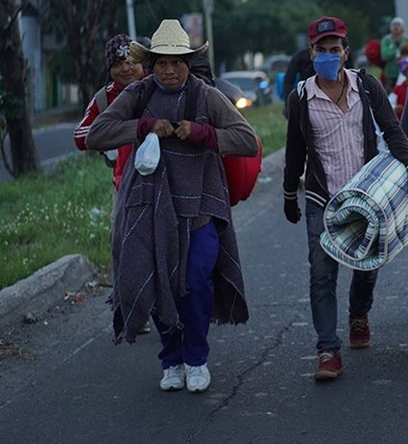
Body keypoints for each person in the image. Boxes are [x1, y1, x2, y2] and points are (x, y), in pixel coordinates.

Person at [86, 19, 258, 394]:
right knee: (158, 279)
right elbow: (97, 133)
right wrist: (143, 125)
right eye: (161, 62)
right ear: (151, 64)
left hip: (199, 207)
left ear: (188, 63)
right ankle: (171, 359)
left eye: (177, 62)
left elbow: (248, 140)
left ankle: (196, 358)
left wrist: (203, 134)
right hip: (148, 205)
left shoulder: (206, 95)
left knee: (194, 280)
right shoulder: (139, 94)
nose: (169, 70)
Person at [283, 16, 408, 381]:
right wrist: (288, 193)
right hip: (321, 195)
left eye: (335, 50)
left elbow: (392, 131)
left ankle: (359, 312)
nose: (329, 56)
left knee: (367, 264)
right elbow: (295, 150)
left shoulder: (366, 86)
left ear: (346, 52)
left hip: (365, 194)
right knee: (321, 272)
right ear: (311, 53)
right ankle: (328, 349)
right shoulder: (301, 97)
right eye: (321, 50)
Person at [74, 34, 146, 191]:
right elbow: (79, 137)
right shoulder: (104, 98)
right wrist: (126, 129)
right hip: (124, 187)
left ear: (141, 63)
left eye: (130, 61)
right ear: (110, 70)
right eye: (118, 64)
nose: (126, 69)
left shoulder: (157, 85)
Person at [380, 17, 408, 89]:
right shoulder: (386, 40)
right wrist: (398, 50)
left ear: (403, 27)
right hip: (391, 75)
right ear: (390, 28)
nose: (396, 27)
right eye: (394, 24)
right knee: (391, 96)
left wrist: (406, 59)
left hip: (406, 76)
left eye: (398, 25)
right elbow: (384, 55)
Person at [282, 46, 315, 114]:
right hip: (305, 98)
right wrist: (289, 105)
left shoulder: (300, 56)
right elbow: (288, 80)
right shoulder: (301, 57)